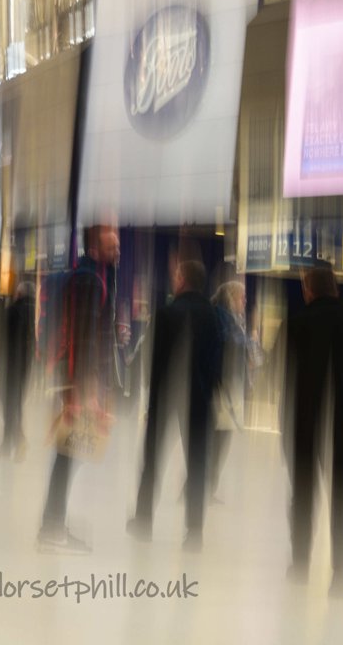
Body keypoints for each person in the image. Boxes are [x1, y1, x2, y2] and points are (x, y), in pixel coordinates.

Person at [39, 225, 125, 553]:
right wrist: (83, 393)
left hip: (80, 383)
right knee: (67, 454)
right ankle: (51, 528)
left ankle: (54, 523)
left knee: (69, 454)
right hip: (80, 384)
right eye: (111, 244)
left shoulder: (97, 277)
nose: (118, 249)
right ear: (94, 245)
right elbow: (83, 338)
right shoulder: (91, 280)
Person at [128, 260, 223, 551]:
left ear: (182, 279)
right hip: (200, 399)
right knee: (197, 464)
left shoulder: (166, 313)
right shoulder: (213, 316)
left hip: (164, 398)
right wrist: (210, 389)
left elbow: (150, 359)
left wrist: (151, 393)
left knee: (152, 459)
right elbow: (219, 359)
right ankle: (194, 532)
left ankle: (144, 521)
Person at [283, 261, 343, 593]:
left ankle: (300, 563)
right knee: (342, 497)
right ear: (336, 288)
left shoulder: (297, 324)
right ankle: (340, 574)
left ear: (308, 289)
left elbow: (283, 377)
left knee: (303, 494)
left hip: (304, 423)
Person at [210, 280, 254, 502]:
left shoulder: (230, 318)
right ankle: (202, 487)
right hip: (220, 389)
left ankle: (205, 486)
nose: (244, 301)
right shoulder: (221, 316)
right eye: (241, 297)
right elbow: (230, 343)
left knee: (220, 440)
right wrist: (248, 345)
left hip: (226, 387)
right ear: (230, 297)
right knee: (217, 441)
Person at [0, 281, 36, 461]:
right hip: (25, 367)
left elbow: (1, 341)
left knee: (9, 404)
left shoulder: (12, 311)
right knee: (16, 403)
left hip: (9, 365)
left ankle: (14, 442)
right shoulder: (36, 314)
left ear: (19, 294)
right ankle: (10, 443)